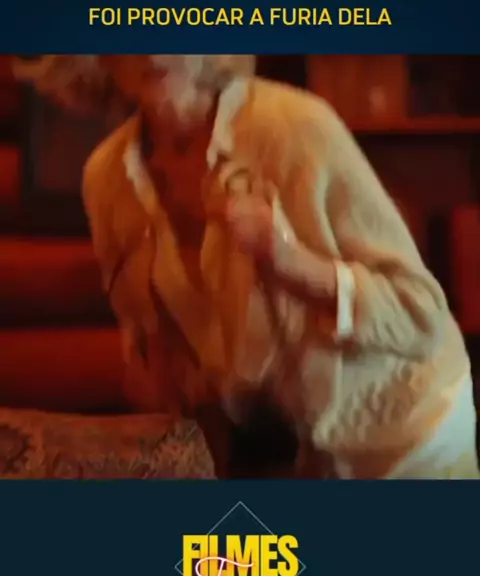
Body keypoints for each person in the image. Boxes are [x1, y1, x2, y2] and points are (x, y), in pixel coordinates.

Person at [16, 54, 479, 479]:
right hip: (301, 461)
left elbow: (419, 313)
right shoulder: (105, 178)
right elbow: (157, 358)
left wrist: (288, 261)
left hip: (410, 441)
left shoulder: (295, 124)